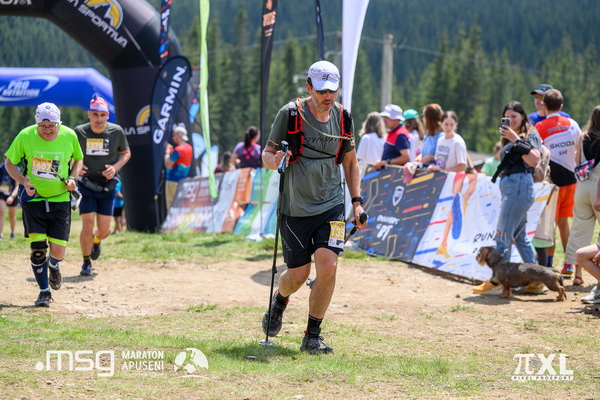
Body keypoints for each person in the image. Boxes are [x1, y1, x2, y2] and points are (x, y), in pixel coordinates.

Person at [261, 60, 367, 354]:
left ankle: (312, 335)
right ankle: (279, 301)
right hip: (295, 207)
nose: (327, 96)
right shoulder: (290, 114)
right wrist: (276, 161)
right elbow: (266, 154)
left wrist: (357, 203)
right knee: (297, 275)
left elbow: (351, 162)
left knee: (328, 266)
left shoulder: (344, 117)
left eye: (332, 90)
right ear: (309, 87)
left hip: (332, 204)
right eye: (321, 91)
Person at [5, 102, 83, 307]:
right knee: (38, 250)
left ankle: (54, 266)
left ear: (59, 123)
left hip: (60, 199)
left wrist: (73, 178)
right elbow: (9, 163)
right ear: (36, 123)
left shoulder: (69, 135)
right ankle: (44, 292)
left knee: (57, 251)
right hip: (34, 199)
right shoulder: (25, 135)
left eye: (51, 126)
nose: (47, 130)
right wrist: (22, 181)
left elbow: (78, 159)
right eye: (43, 126)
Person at [474, 101, 544, 295]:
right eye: (507, 117)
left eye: (514, 116)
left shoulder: (530, 134)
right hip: (512, 188)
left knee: (502, 235)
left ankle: (497, 281)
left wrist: (515, 139)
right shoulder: (508, 137)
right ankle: (537, 281)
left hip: (519, 187)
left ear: (523, 116)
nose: (510, 120)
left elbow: (534, 160)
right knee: (520, 238)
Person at [75, 96, 131, 276]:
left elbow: (126, 153)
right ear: (89, 114)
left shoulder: (116, 132)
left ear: (107, 115)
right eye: (95, 114)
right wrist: (76, 167)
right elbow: (69, 154)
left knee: (105, 230)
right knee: (87, 224)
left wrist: (115, 168)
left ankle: (97, 240)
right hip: (86, 184)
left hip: (107, 186)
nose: (98, 119)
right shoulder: (79, 132)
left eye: (102, 115)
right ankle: (86, 262)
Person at [535, 89, 580, 276]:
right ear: (561, 106)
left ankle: (549, 264)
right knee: (564, 222)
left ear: (544, 106)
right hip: (572, 181)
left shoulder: (539, 127)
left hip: (551, 184)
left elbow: (537, 156)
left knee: (549, 224)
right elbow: (579, 149)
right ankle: (569, 264)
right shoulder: (573, 124)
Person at [427, 111, 476, 258]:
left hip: (455, 181)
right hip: (444, 180)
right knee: (443, 213)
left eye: (451, 124)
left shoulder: (458, 142)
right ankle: (441, 244)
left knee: (451, 214)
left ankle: (447, 245)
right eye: (446, 124)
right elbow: (440, 160)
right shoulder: (441, 140)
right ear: (441, 124)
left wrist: (443, 170)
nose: (449, 127)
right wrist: (436, 167)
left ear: (456, 125)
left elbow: (462, 166)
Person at [564, 106, 600, 286]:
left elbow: (577, 161)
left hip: (582, 187)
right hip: (599, 188)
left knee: (579, 230)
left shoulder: (582, 136)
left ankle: (577, 274)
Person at [372, 104, 411, 170]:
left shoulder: (400, 134)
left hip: (396, 174)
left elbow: (406, 157)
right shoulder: (393, 132)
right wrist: (380, 160)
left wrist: (387, 162)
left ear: (396, 119)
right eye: (384, 117)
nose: (384, 120)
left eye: (387, 117)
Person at [164, 125, 192, 210]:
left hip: (173, 181)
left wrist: (167, 152)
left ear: (179, 135)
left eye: (174, 135)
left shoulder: (178, 150)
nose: (173, 138)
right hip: (182, 181)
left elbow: (168, 164)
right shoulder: (189, 148)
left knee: (171, 205)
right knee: (181, 204)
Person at [0, 156, 19, 239]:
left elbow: (17, 186)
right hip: (2, 192)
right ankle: (0, 234)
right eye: (7, 158)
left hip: (12, 193)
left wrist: (12, 196)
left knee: (12, 214)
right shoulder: (1, 168)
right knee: (1, 211)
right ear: (4, 159)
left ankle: (12, 232)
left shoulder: (16, 169)